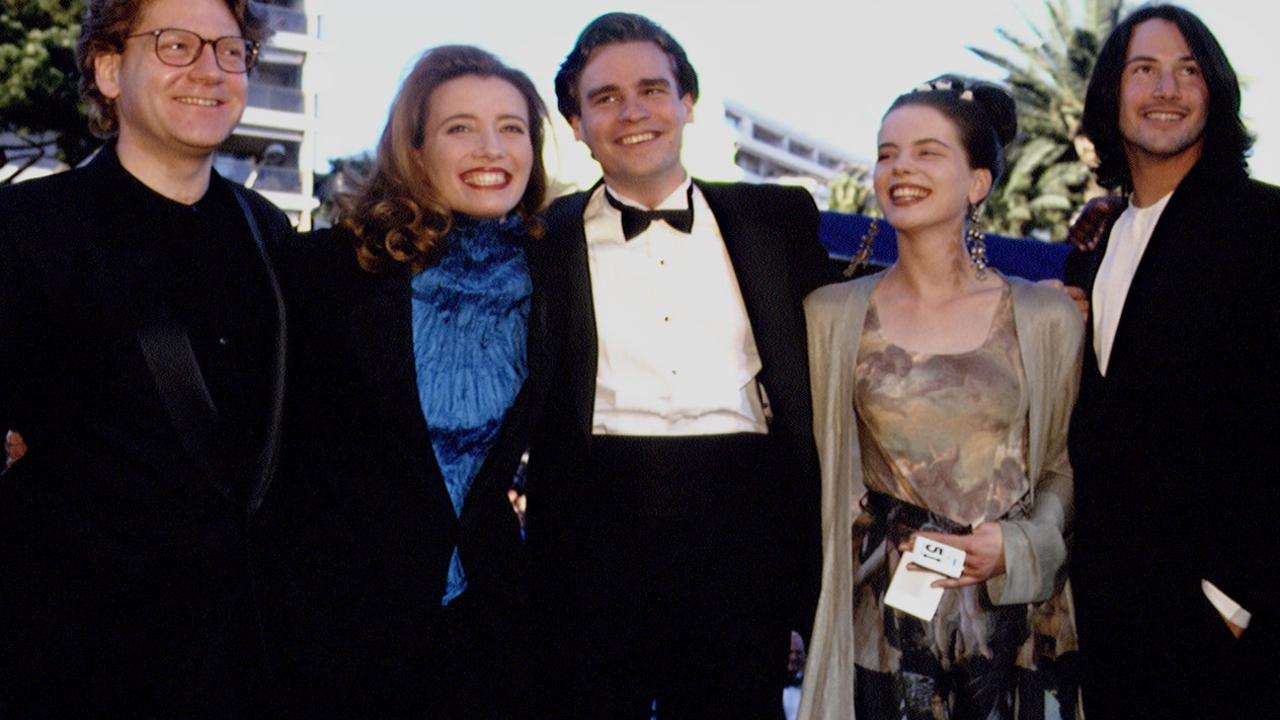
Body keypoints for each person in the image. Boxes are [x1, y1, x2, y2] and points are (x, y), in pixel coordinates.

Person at [524, 12, 834, 719]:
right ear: (575, 123)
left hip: (743, 524)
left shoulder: (777, 220)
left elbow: (869, 312)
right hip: (593, 526)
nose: (632, 112)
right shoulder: (541, 238)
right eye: (604, 98)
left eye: (651, 90)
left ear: (686, 103)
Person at [0, 0, 291, 715]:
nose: (210, 70)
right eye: (176, 45)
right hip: (77, 667)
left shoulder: (270, 232)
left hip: (250, 665)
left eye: (230, 50)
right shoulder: (29, 229)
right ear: (107, 68)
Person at [259, 45, 548, 718]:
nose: (491, 147)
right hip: (343, 628)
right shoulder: (323, 269)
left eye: (512, 127)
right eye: (460, 128)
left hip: (490, 628)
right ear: (415, 150)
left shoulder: (553, 273)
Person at [800, 76, 1084, 719]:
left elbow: (1065, 463)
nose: (900, 168)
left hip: (1014, 625)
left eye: (928, 151)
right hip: (885, 632)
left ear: (977, 182)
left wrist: (1018, 543)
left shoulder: (1042, 316)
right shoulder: (830, 316)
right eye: (886, 153)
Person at [1062, 6, 1280, 718]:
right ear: (1110, 95)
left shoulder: (1262, 226)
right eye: (1144, 69)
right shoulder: (1095, 246)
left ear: (1214, 93)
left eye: (1189, 71)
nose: (1167, 89)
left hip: (1224, 631)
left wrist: (1235, 595)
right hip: (1111, 625)